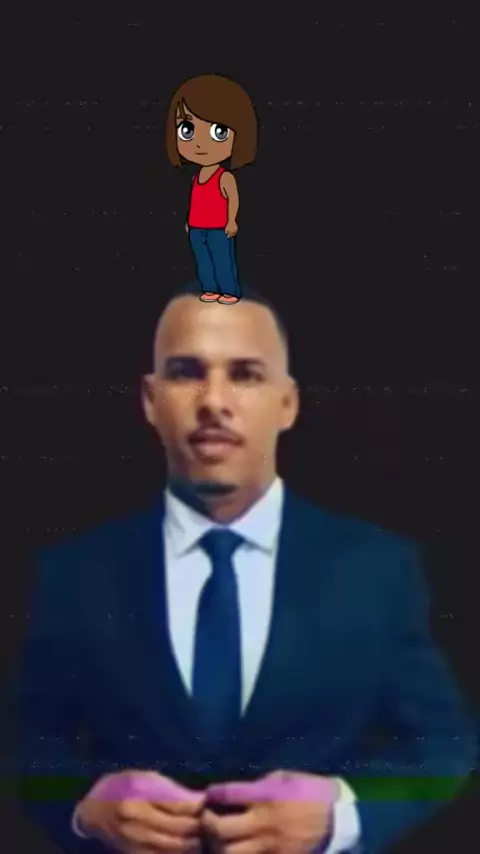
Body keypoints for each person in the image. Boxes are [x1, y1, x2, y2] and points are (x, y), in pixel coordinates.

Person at [11, 282, 476, 854]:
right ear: (150, 400)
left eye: (245, 374)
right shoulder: (75, 574)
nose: (213, 400)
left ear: (288, 404)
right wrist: (82, 808)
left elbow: (443, 743)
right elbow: (26, 740)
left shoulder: (377, 569)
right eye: (186, 372)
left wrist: (342, 816)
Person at [165, 75, 258, 305]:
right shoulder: (197, 177)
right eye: (187, 129)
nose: (199, 143)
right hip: (197, 227)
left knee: (223, 260)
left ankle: (229, 290)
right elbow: (196, 201)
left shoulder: (224, 177)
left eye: (218, 131)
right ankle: (210, 288)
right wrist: (190, 222)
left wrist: (231, 221)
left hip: (218, 228)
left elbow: (232, 199)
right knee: (204, 262)